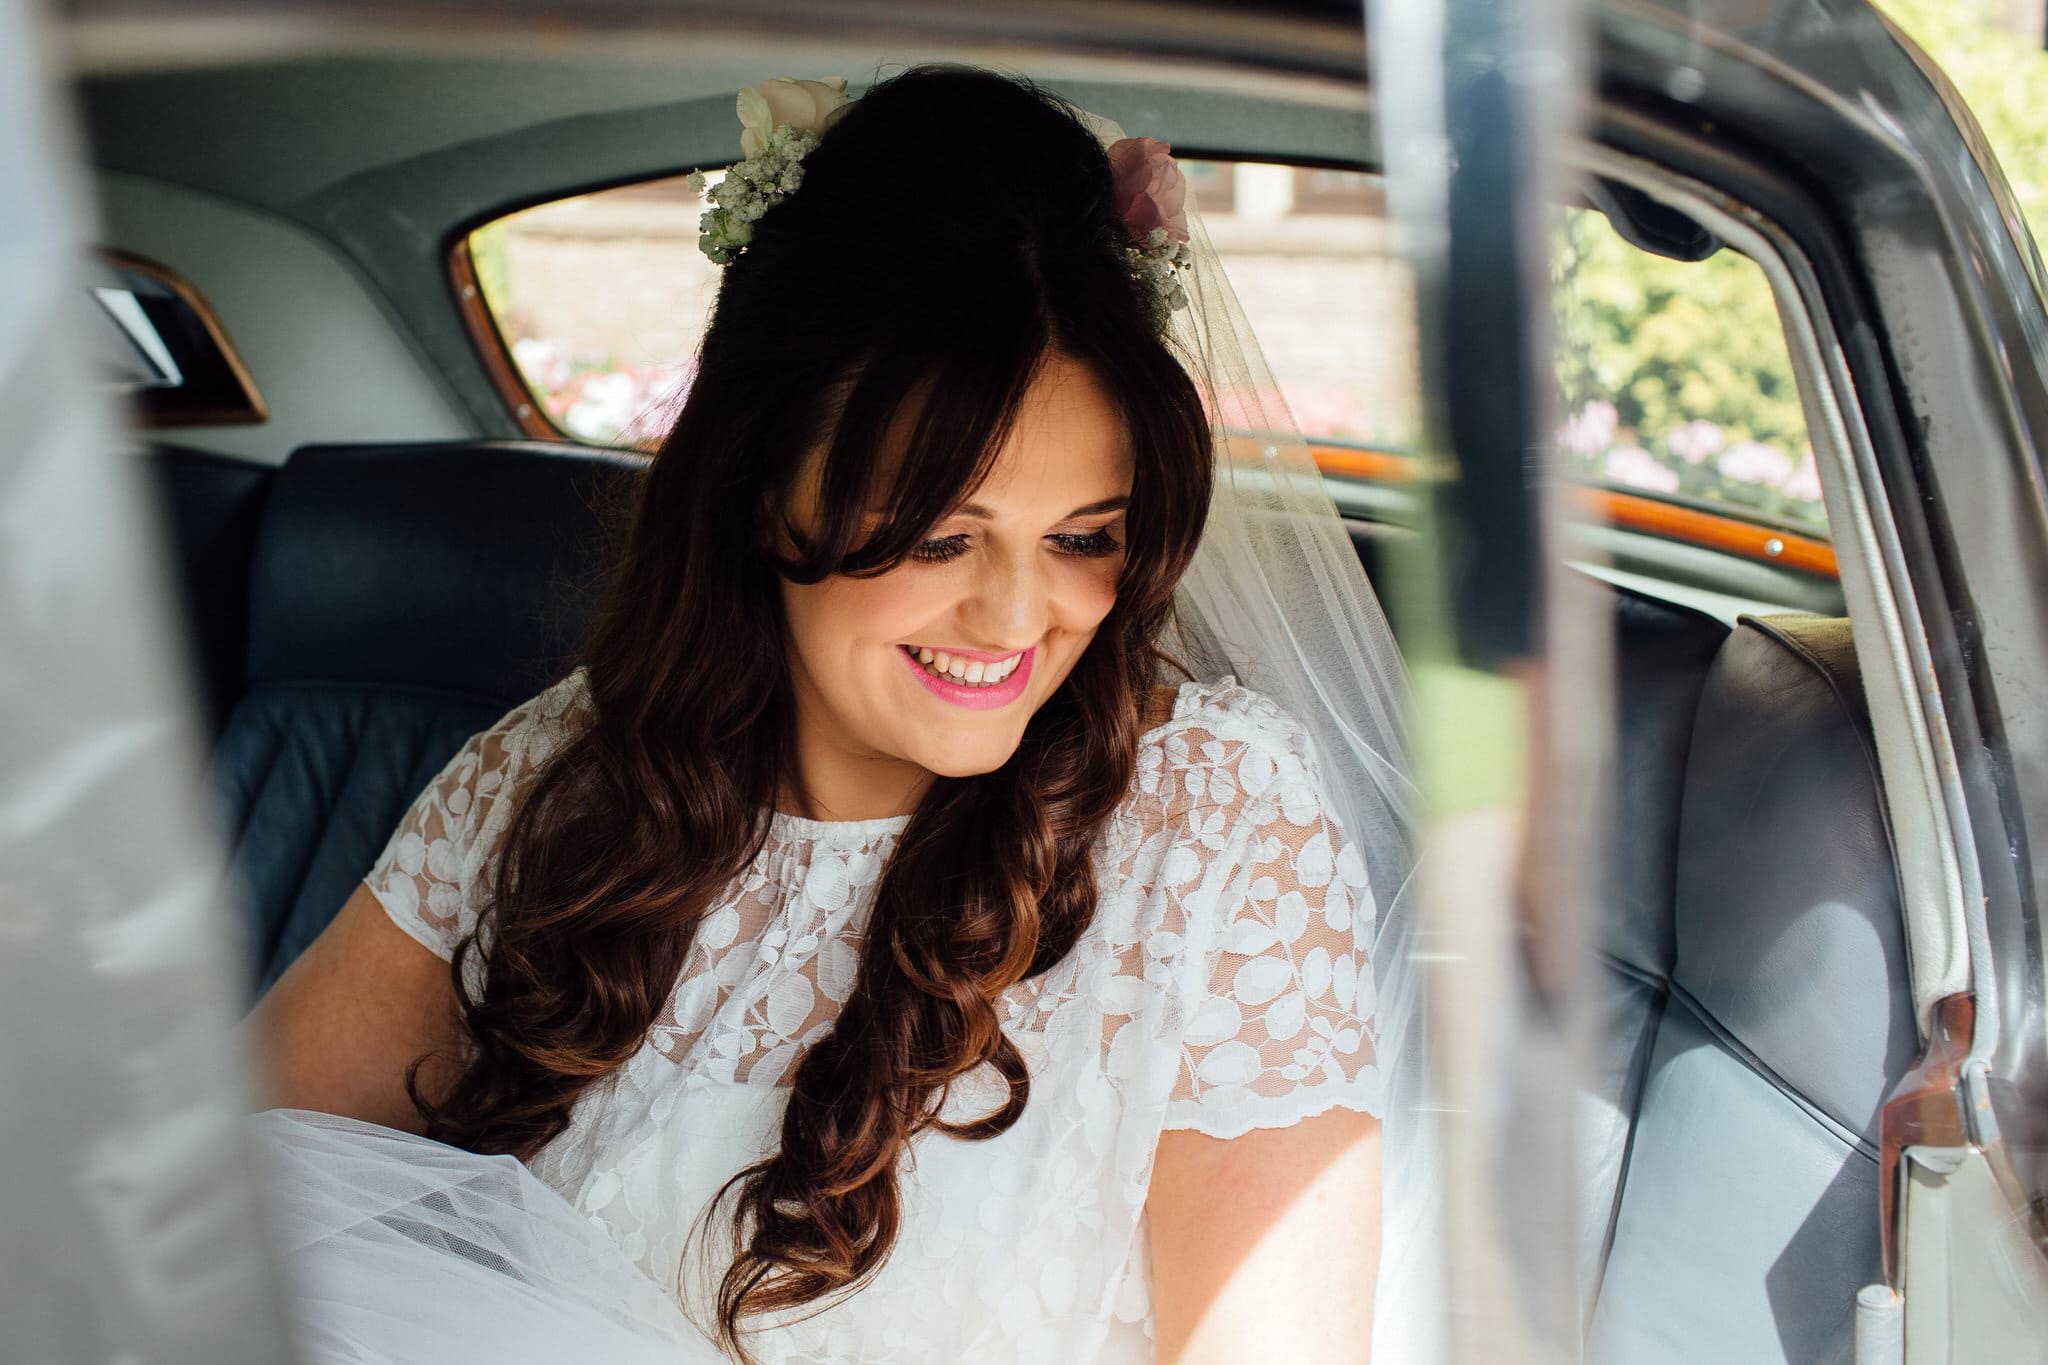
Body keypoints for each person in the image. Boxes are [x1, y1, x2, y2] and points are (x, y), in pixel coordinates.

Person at [248, 63, 1423, 1365]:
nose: (1018, 617)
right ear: (765, 490)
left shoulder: (1215, 823)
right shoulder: (560, 768)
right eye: (937, 537)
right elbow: (227, 1192)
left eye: (1087, 535)